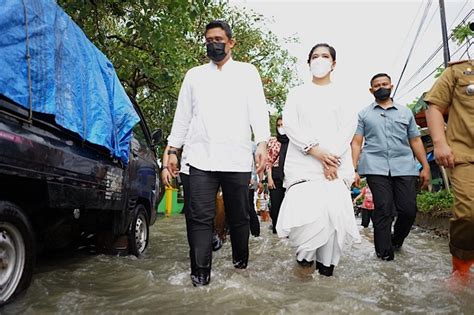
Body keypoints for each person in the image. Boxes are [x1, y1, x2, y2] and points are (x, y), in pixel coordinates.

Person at [165, 20, 269, 286]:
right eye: (209, 40)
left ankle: (240, 267)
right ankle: (200, 278)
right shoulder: (194, 75)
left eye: (219, 39)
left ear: (231, 42)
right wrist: (173, 150)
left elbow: (258, 112)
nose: (214, 44)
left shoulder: (248, 73)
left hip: (236, 157)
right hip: (199, 158)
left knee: (238, 217)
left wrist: (262, 144)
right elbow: (183, 117)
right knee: (199, 218)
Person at [276, 43, 360, 277]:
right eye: (315, 56)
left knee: (332, 226)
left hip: (336, 167)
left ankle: (326, 279)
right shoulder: (297, 93)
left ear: (334, 63)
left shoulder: (344, 95)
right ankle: (303, 282)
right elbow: (289, 125)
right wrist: (316, 151)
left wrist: (330, 158)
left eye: (325, 56)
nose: (320, 60)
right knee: (306, 229)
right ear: (308, 62)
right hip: (304, 168)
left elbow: (347, 128)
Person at [351, 73, 430, 261]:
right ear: (371, 90)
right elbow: (356, 142)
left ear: (391, 86)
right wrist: (353, 169)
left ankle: (396, 240)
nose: (381, 87)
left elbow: (415, 140)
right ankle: (384, 256)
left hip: (405, 166)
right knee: (383, 208)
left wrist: (425, 166)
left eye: (384, 84)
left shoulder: (405, 113)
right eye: (377, 85)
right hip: (375, 167)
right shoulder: (364, 114)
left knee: (408, 210)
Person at [424, 58, 474, 283]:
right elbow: (434, 105)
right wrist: (439, 143)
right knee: (468, 213)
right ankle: (461, 271)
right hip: (465, 155)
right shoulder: (458, 71)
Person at [266, 116, 289, 234]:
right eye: (278, 125)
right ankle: (276, 231)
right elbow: (268, 161)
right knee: (276, 206)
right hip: (276, 176)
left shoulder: (294, 141)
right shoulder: (273, 142)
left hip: (291, 177)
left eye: (283, 125)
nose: (281, 128)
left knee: (289, 207)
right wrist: (269, 178)